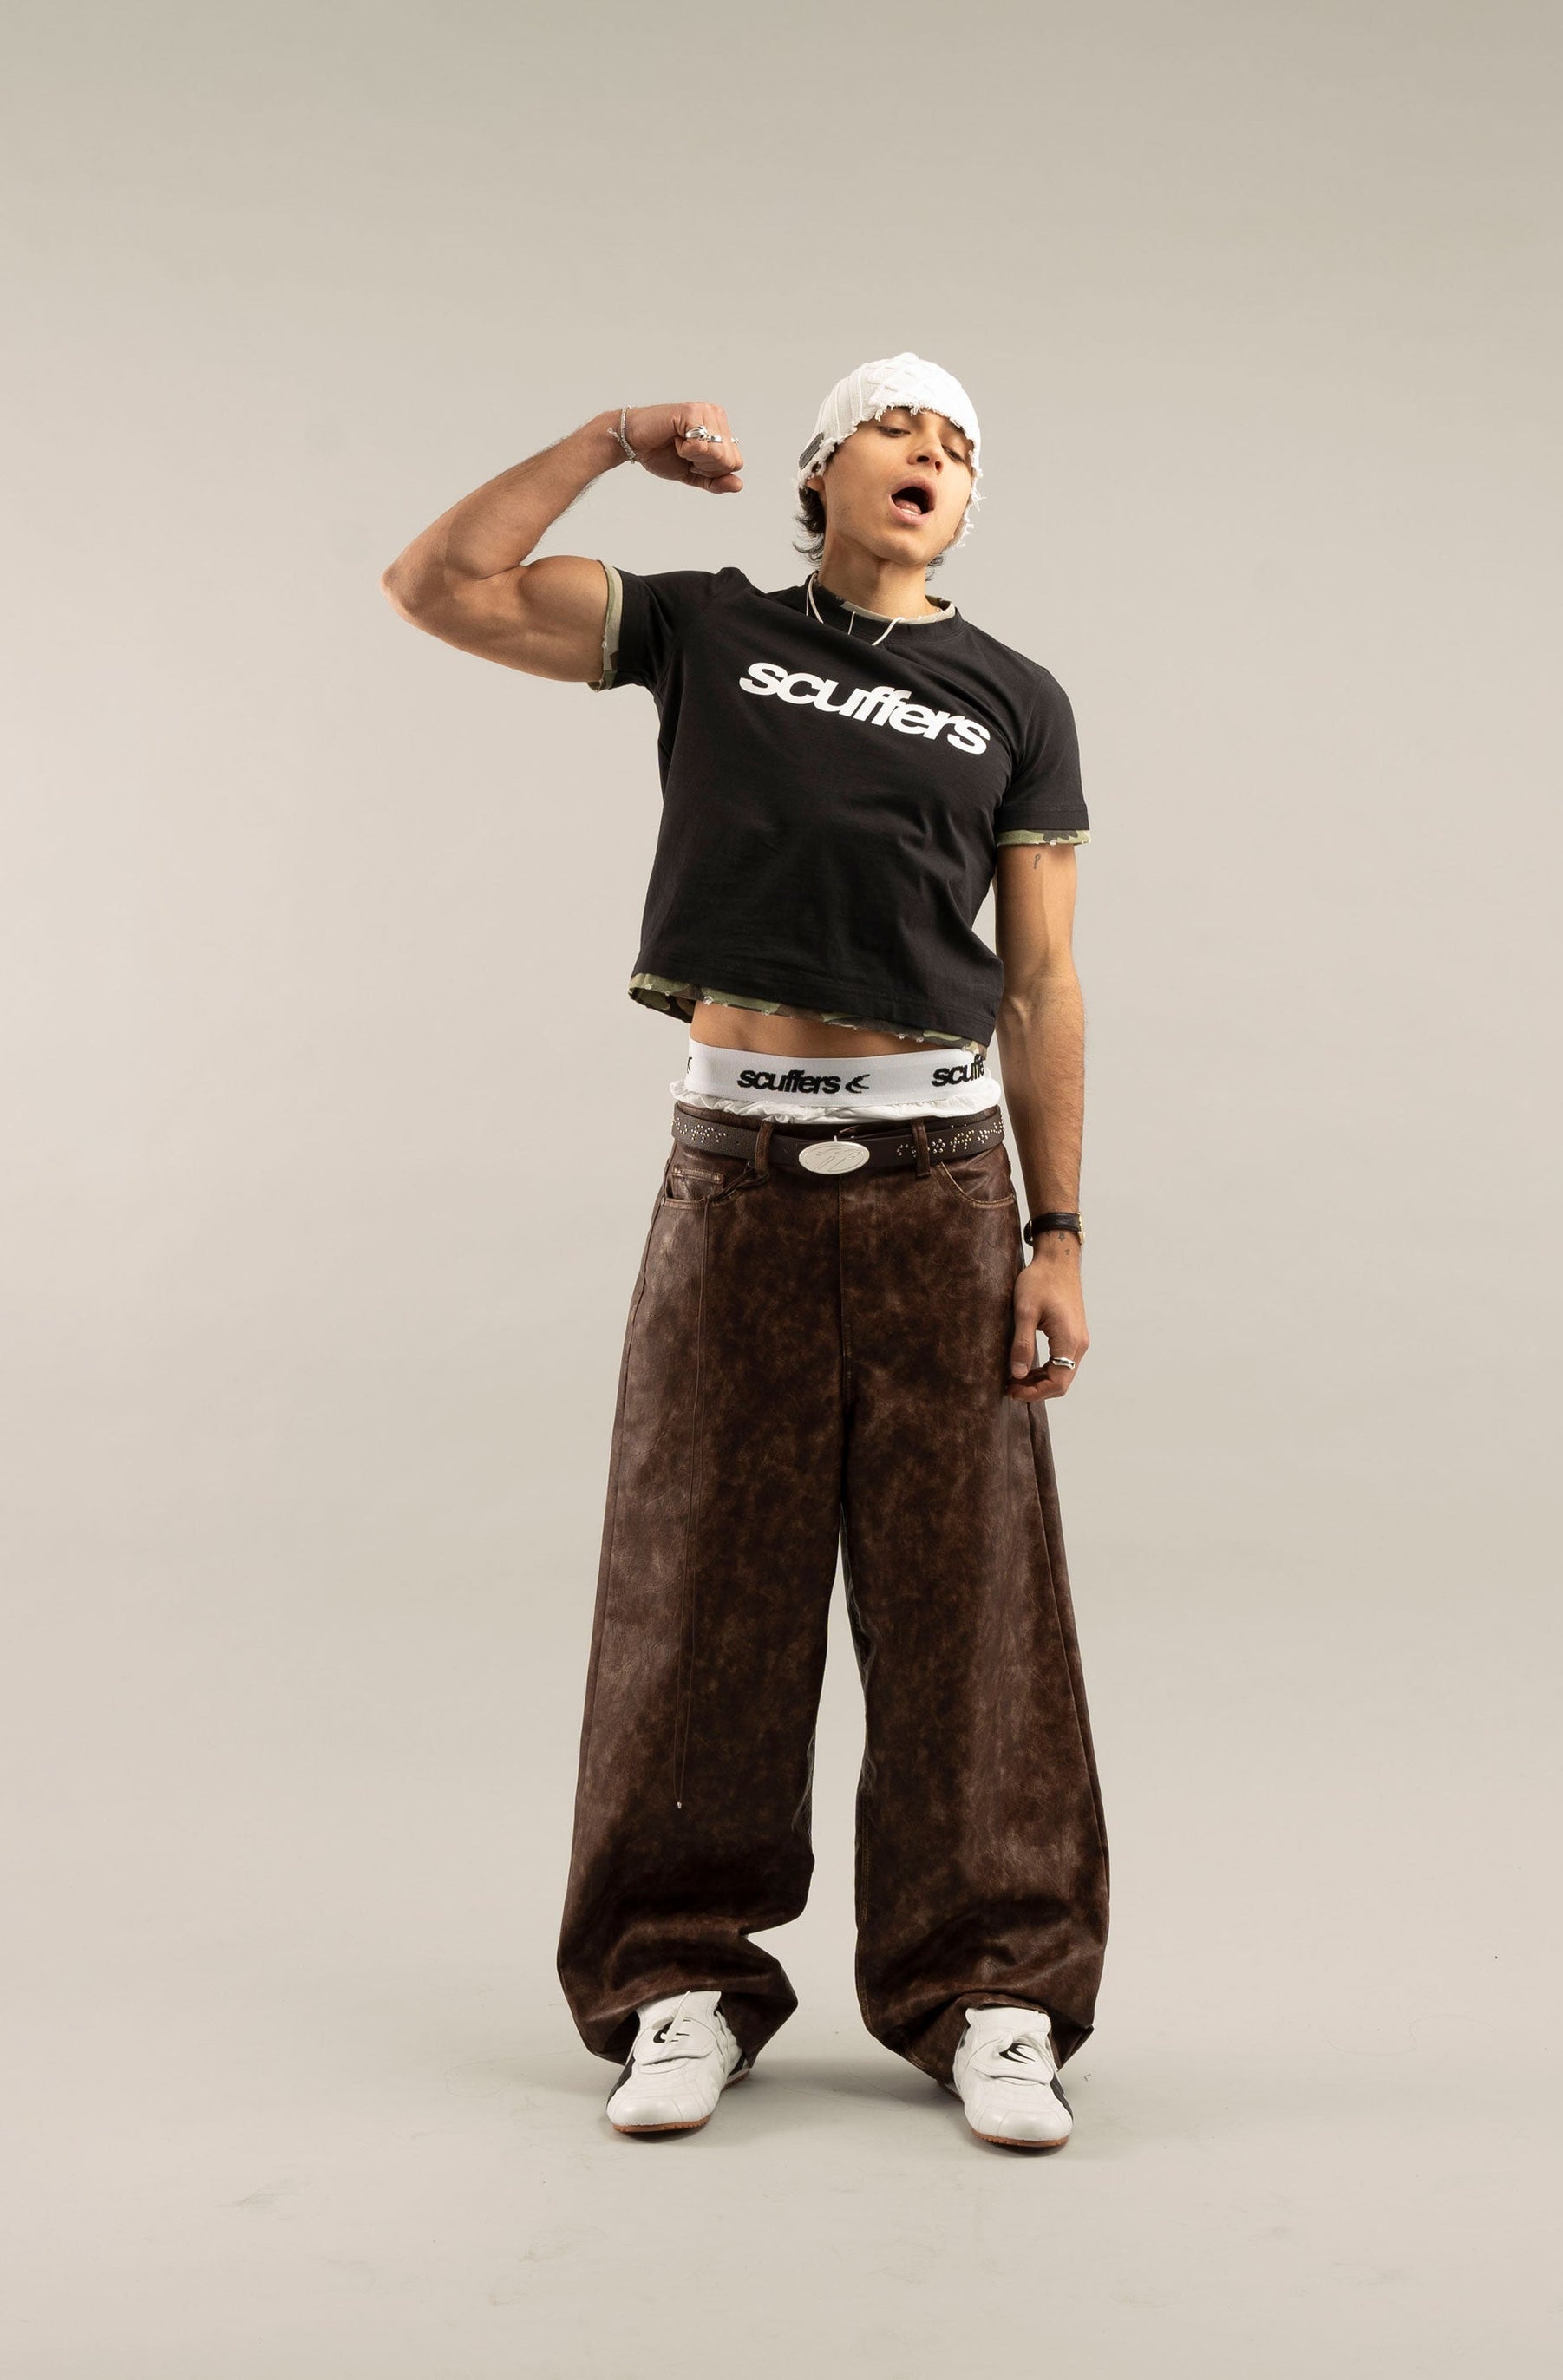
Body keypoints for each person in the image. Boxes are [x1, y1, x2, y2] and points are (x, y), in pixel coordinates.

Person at [381, 354, 1108, 2153]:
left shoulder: (1013, 698)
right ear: (819, 470)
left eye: (959, 444)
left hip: (944, 1181)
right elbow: (440, 585)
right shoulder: (709, 631)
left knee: (970, 1597)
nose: (932, 452)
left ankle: (995, 1990)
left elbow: (1040, 982)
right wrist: (611, 441)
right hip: (737, 1173)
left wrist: (1058, 1230)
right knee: (698, 1581)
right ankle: (675, 1981)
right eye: (897, 426)